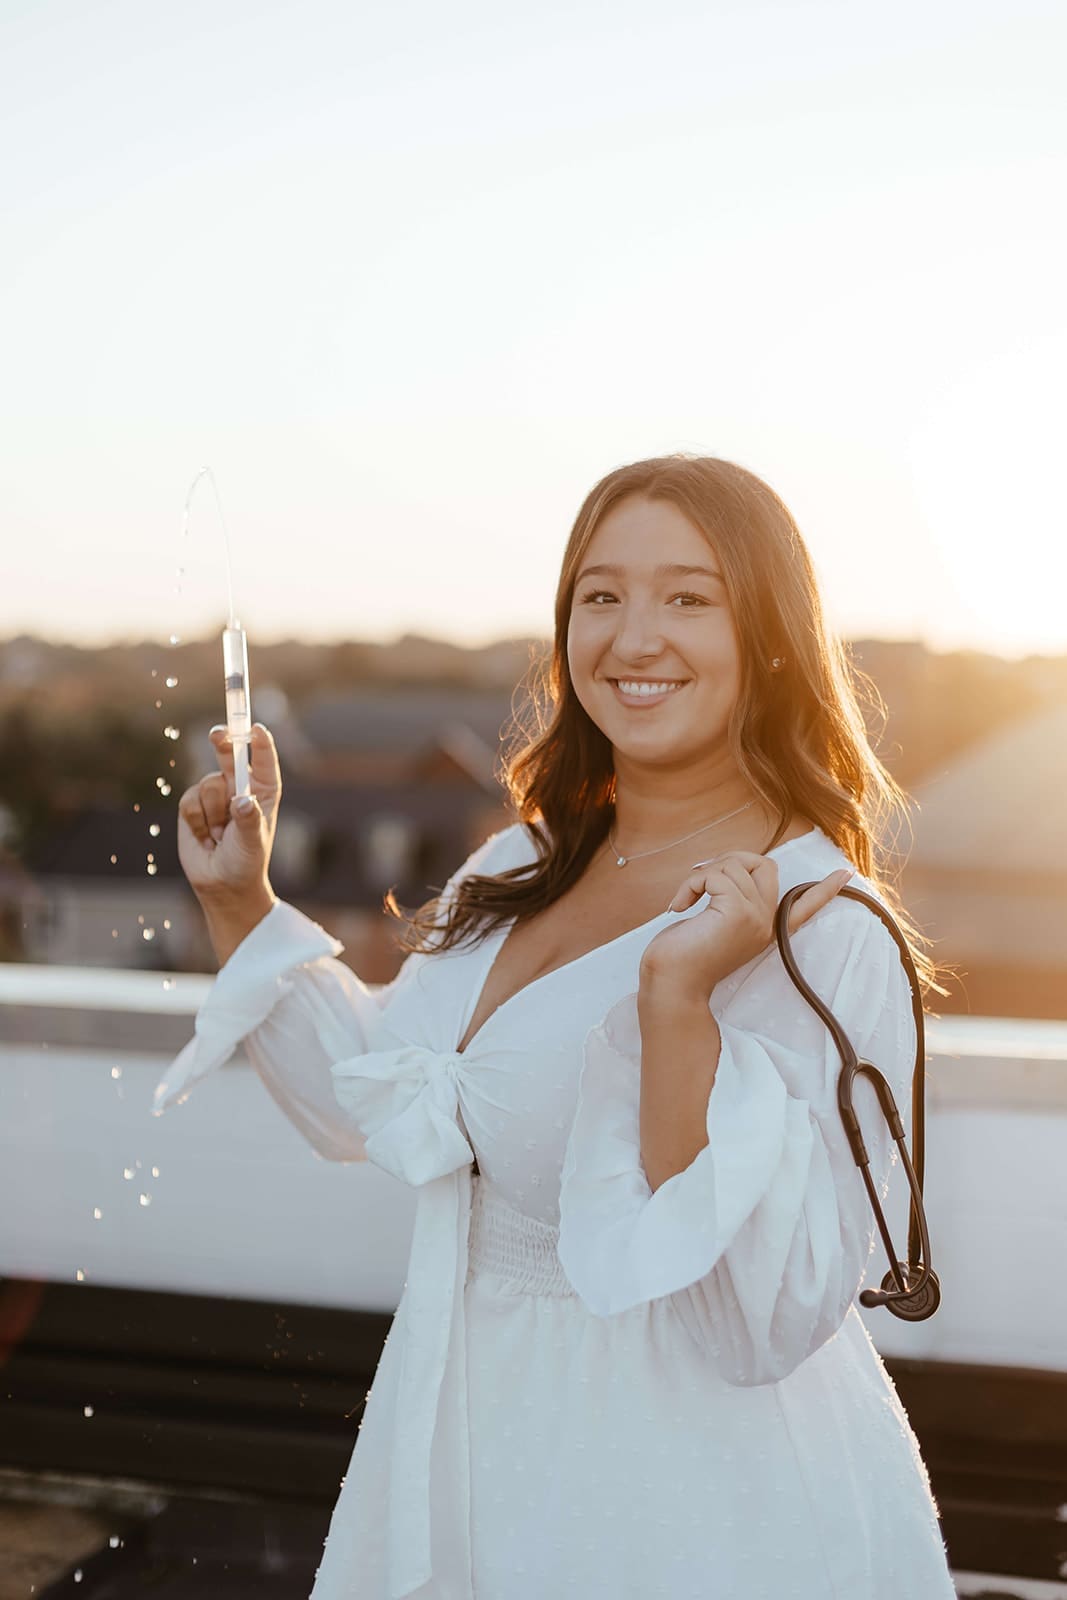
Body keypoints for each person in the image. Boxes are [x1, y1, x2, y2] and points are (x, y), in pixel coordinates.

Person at [155, 454, 958, 1598]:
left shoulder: (821, 928)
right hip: (478, 1458)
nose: (634, 637)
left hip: (692, 1510)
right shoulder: (523, 859)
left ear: (771, 635)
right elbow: (374, 1099)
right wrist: (243, 899)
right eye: (600, 595)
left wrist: (675, 1009)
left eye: (689, 597)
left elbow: (755, 1327)